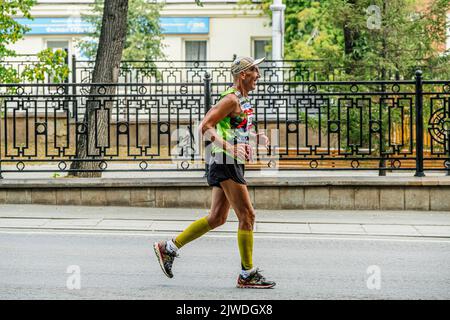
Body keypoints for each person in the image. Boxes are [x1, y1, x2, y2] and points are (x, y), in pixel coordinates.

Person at [153, 56, 275, 289]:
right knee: (247, 216)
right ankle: (247, 274)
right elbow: (205, 127)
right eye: (254, 71)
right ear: (243, 75)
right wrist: (230, 147)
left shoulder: (241, 100)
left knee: (217, 217)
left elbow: (232, 129)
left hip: (227, 160)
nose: (258, 75)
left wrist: (255, 138)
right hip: (225, 160)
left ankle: (168, 248)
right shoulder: (230, 99)